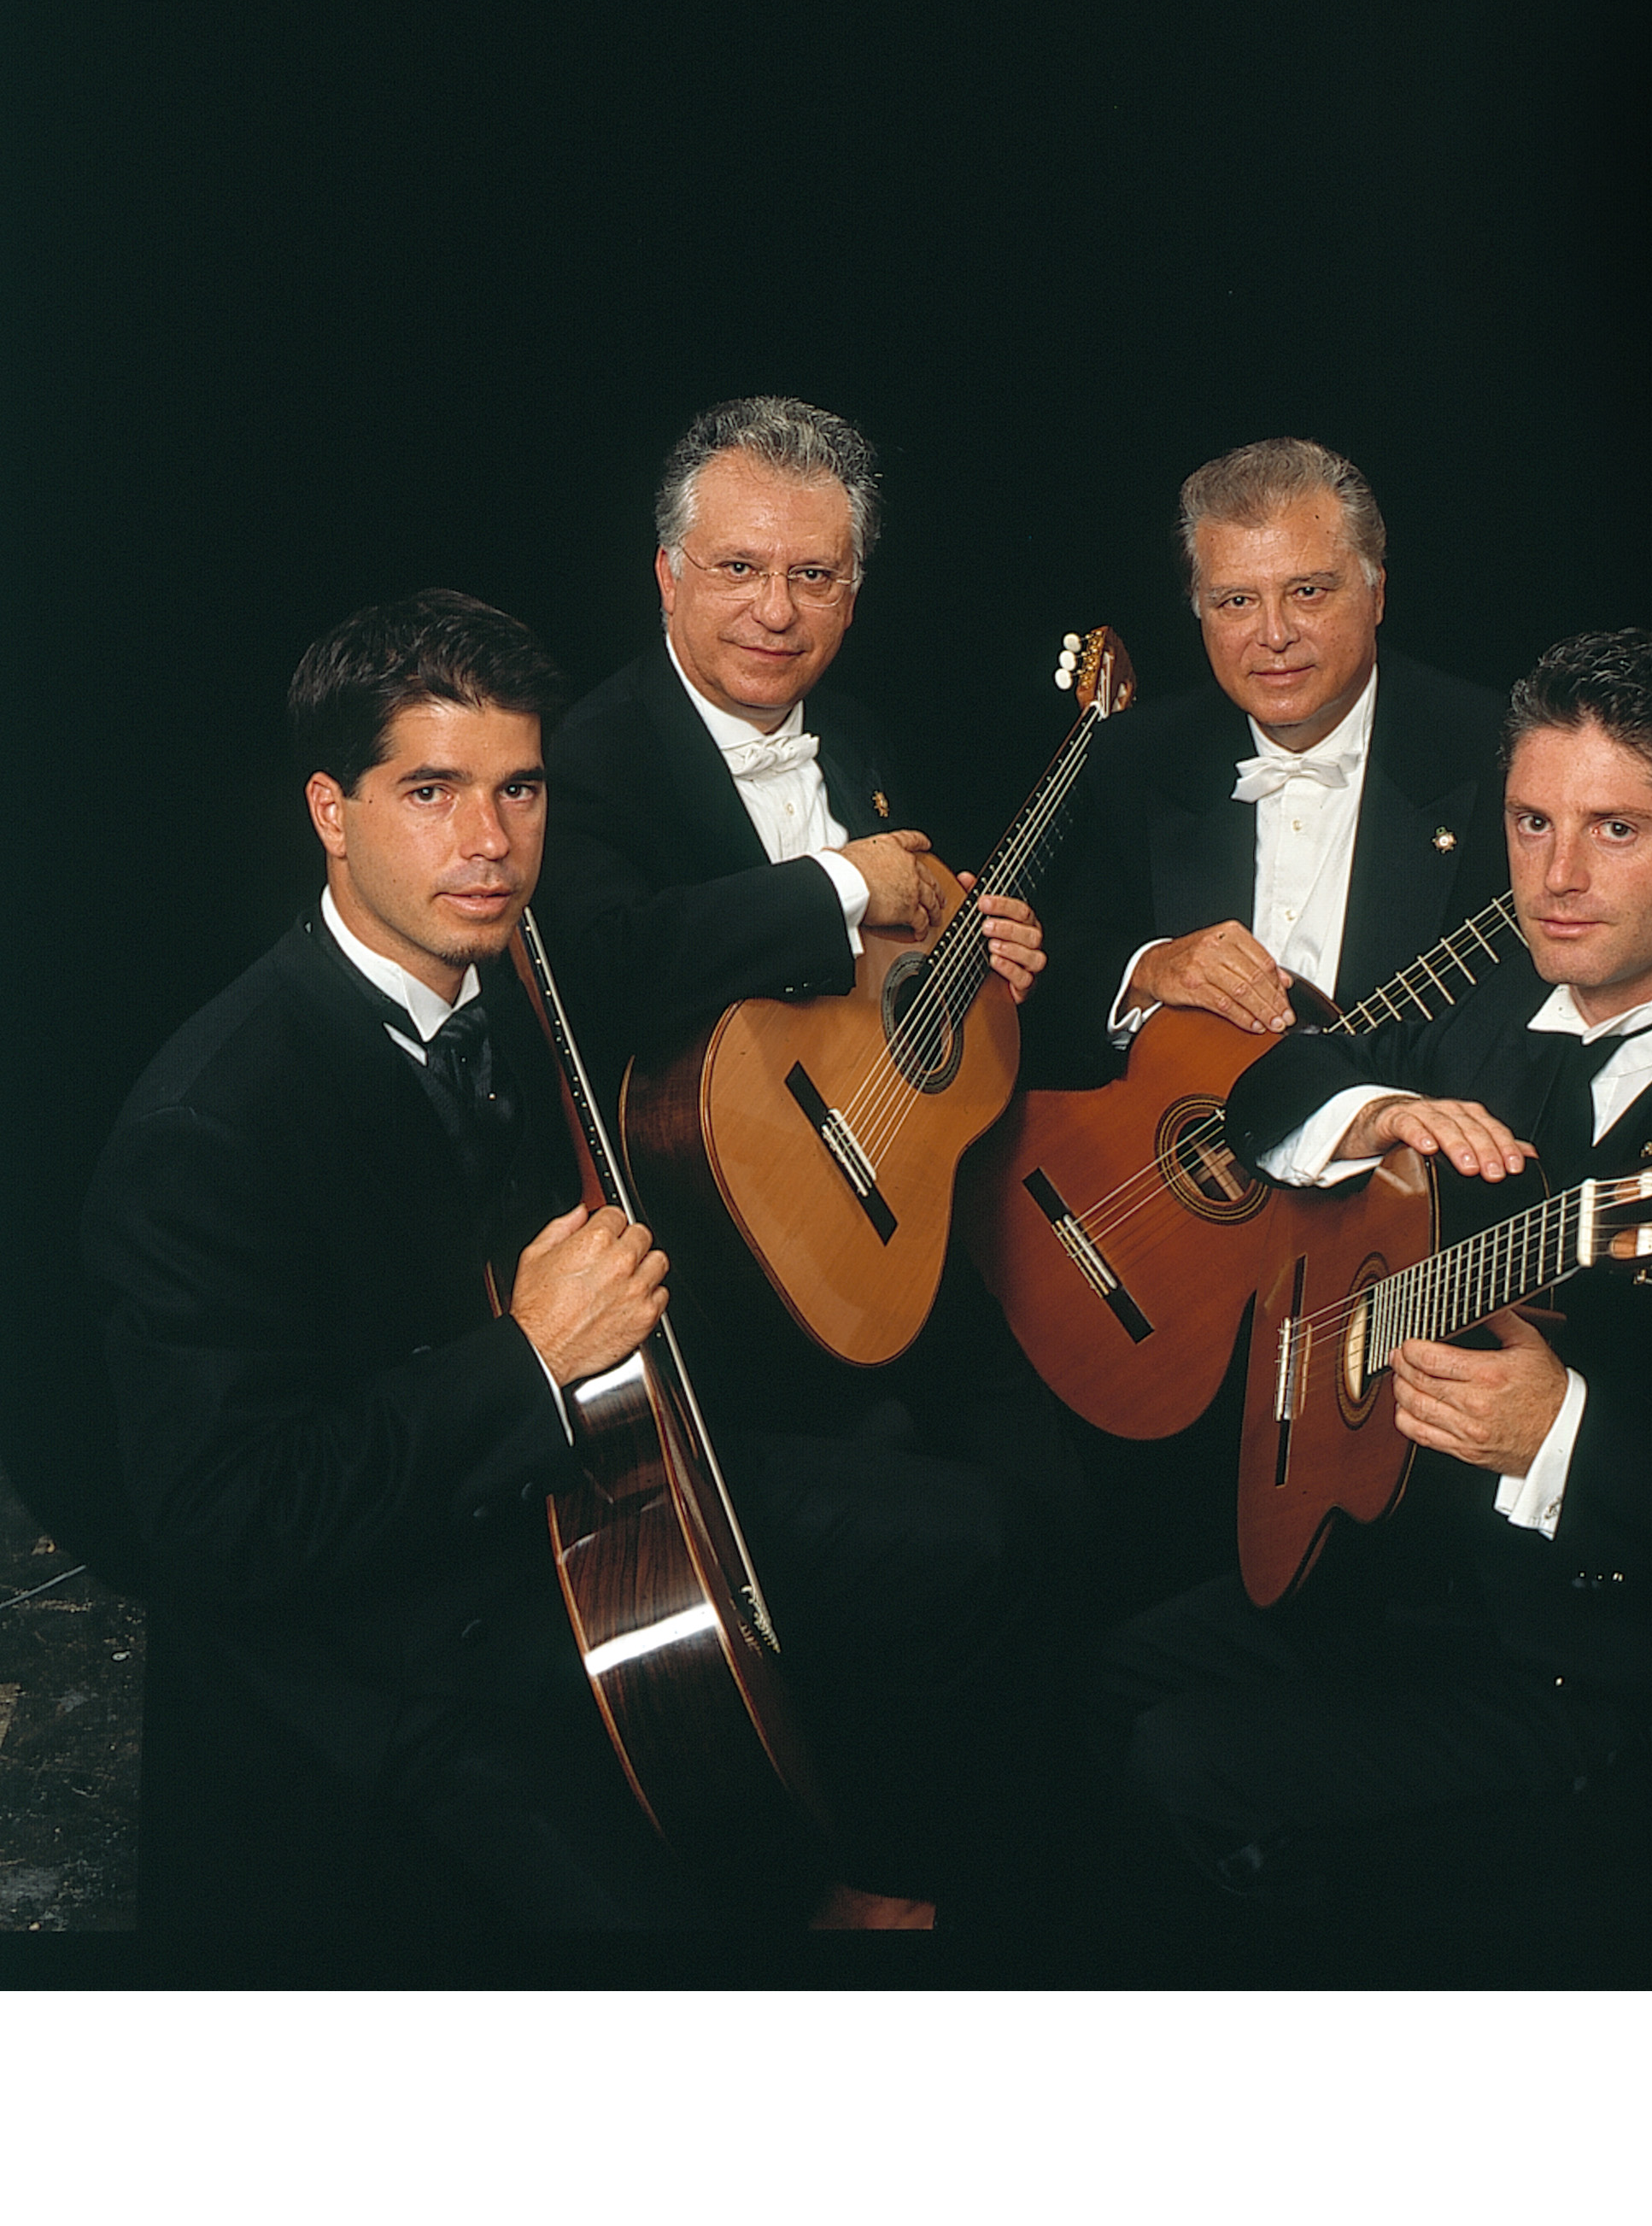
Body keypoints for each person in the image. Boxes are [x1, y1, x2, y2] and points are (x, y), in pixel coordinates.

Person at [83, 589, 1032, 1934]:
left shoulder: (529, 979)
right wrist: (528, 1359)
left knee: (965, 1536)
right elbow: (226, 1525)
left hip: (580, 1506)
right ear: (330, 812)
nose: (489, 842)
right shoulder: (211, 1125)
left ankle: (874, 1907)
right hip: (388, 1649)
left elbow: (696, 1012)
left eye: (519, 790)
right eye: (431, 791)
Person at [1097, 628, 1652, 1934]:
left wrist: (1560, 1433)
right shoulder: (1500, 997)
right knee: (1106, 1674)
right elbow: (1278, 1079)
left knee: (1186, 1762)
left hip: (1602, 1671)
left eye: (1617, 830)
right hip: (1412, 1569)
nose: (1557, 879)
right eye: (1530, 822)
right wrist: (1378, 1113)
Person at [537, 397, 1083, 1526]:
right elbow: (602, 967)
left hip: (889, 1225)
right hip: (721, 1296)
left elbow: (862, 1002)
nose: (777, 611)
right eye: (739, 567)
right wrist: (840, 884)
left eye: (815, 576)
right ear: (668, 576)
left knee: (1062, 1496)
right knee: (951, 1530)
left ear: (854, 592)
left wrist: (972, 961)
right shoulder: (586, 759)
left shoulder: (862, 737)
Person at [1025, 435, 1510, 1085]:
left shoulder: (1496, 754)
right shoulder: (1135, 757)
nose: (1274, 635)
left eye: (1307, 591)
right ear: (1200, 611)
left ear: (1376, 594)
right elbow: (1052, 986)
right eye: (1237, 602)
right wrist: (1149, 970)